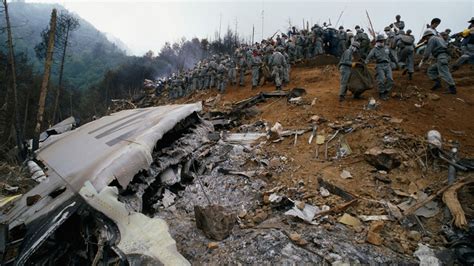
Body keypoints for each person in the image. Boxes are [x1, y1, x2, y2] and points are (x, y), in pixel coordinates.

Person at [419, 29, 457, 94]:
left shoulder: (432, 39)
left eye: (425, 38)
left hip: (442, 56)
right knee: (431, 70)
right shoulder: (439, 38)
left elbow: (428, 52)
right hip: (443, 57)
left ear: (427, 36)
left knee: (444, 72)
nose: (425, 39)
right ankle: (438, 83)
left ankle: (452, 88)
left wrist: (423, 60)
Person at [365, 35, 396, 100]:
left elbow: (391, 56)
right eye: (380, 41)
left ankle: (386, 91)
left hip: (387, 65)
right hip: (379, 65)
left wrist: (396, 62)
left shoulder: (387, 48)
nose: (381, 42)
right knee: (381, 80)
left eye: (382, 41)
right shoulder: (374, 49)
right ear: (377, 42)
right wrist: (366, 62)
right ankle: (381, 93)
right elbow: (369, 56)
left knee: (390, 79)